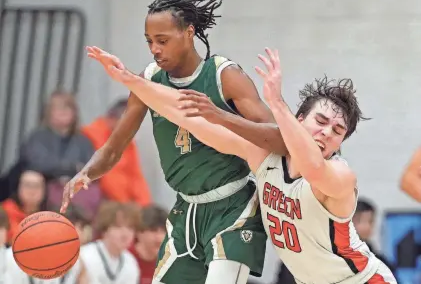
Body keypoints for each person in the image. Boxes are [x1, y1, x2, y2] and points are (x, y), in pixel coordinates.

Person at [85, 46, 397, 283]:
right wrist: (131, 80)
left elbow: (313, 168)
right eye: (321, 121)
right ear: (300, 120)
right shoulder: (265, 157)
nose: (326, 132)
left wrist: (276, 104)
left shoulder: (341, 176)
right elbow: (188, 118)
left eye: (337, 131)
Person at [61, 0, 285, 284]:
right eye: (149, 41)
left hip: (233, 206)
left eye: (162, 40)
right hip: (185, 209)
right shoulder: (150, 79)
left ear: (189, 32)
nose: (155, 49)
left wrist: (220, 115)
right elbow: (114, 148)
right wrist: (86, 172)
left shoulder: (223, 75)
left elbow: (279, 139)